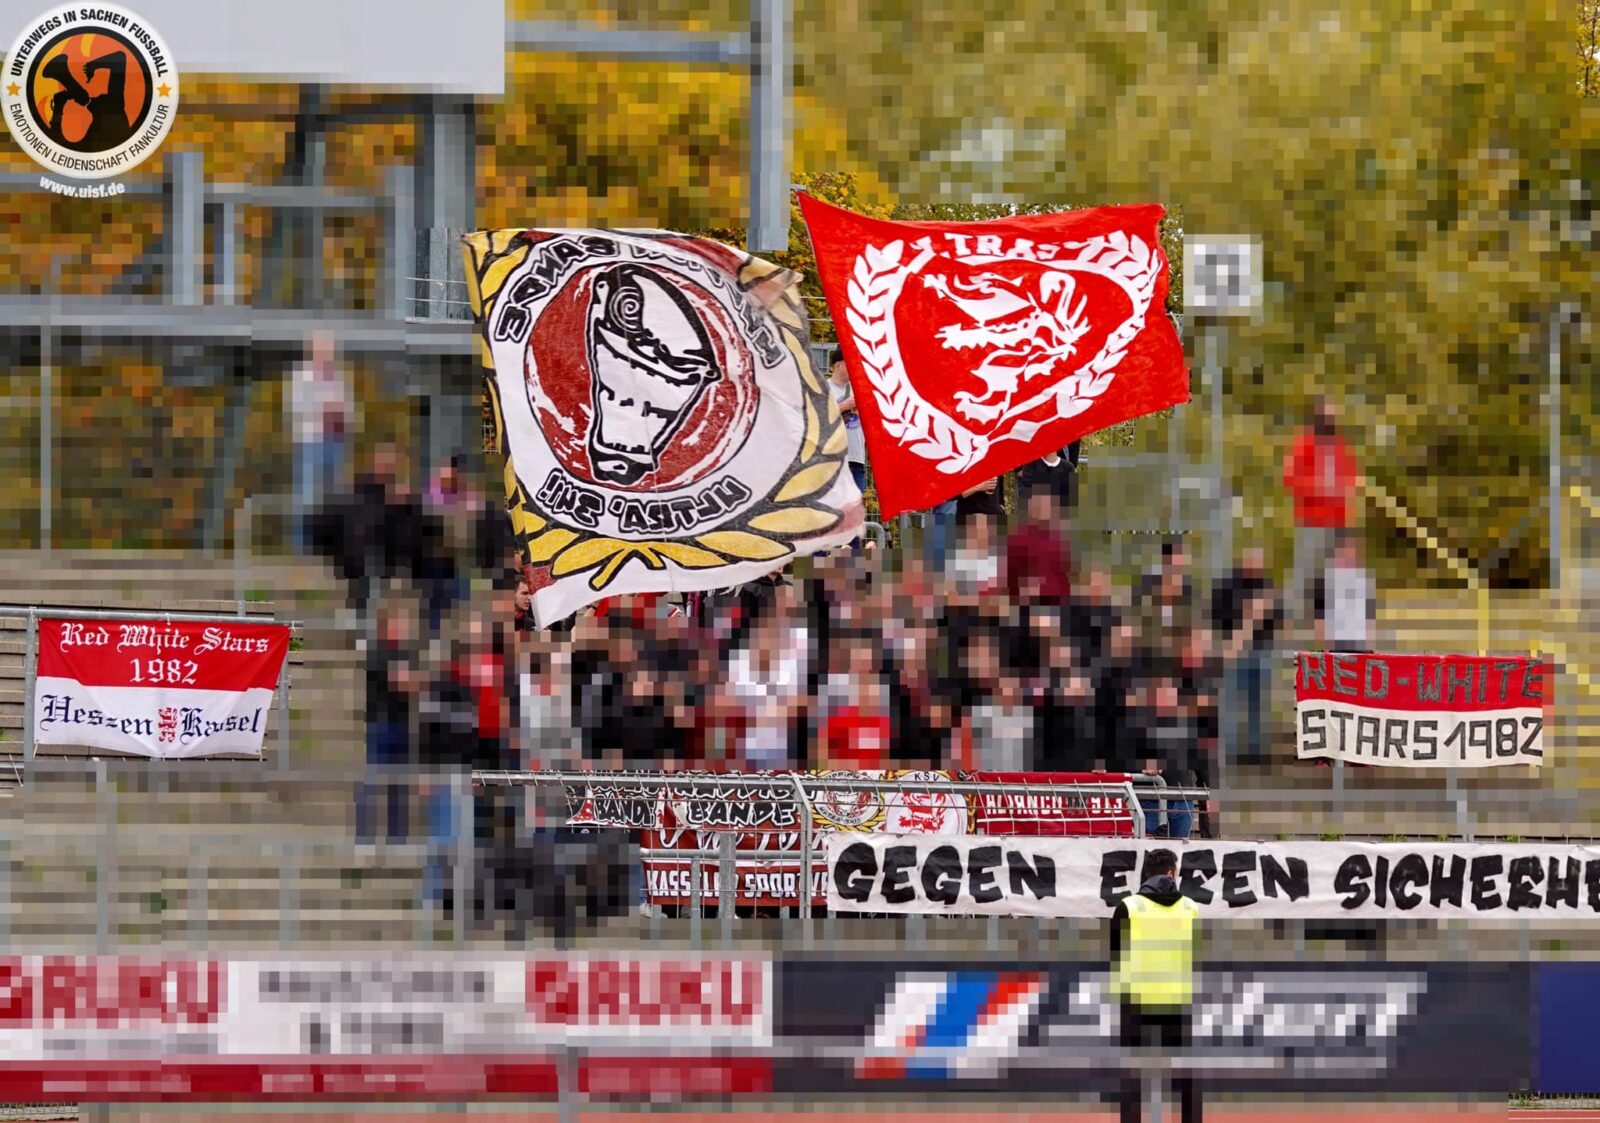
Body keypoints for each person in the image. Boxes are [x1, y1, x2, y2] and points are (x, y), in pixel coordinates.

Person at [1111, 848, 1202, 1123]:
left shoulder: (1128, 906)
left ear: (1145, 874)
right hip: (1179, 998)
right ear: (1171, 873)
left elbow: (1116, 957)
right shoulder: (1190, 907)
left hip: (1136, 1000)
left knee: (1133, 1075)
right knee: (1185, 1076)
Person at [1283, 396, 1358, 627]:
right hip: (1311, 518)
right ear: (1317, 414)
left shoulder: (1339, 445)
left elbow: (1350, 475)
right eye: (1327, 412)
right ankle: (1293, 615)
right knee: (1305, 568)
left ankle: (1332, 615)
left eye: (1333, 412)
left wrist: (1348, 486)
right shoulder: (1304, 443)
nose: (1331, 417)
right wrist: (1319, 487)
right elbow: (1290, 478)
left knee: (1336, 571)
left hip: (1338, 518)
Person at [355, 597, 419, 847]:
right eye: (400, 622)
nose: (404, 626)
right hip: (381, 724)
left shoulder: (405, 651)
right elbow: (403, 684)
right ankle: (366, 836)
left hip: (401, 723)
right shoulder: (378, 650)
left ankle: (397, 836)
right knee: (374, 780)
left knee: (399, 784)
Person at [1211, 548, 1282, 767]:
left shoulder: (1266, 586)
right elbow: (1217, 617)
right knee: (1232, 701)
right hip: (1234, 650)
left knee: (1257, 703)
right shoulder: (1228, 586)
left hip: (1261, 652)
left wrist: (1268, 611)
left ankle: (1255, 751)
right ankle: (1231, 750)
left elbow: (1276, 620)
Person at [288, 333, 352, 554]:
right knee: (307, 494)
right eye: (323, 351)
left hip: (335, 440)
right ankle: (302, 546)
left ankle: (331, 544)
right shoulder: (302, 377)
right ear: (314, 352)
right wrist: (324, 410)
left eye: (329, 351)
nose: (327, 356)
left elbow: (348, 409)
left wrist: (339, 414)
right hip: (310, 440)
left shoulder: (337, 379)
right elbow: (298, 408)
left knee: (335, 495)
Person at [829, 360, 871, 541]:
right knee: (828, 513)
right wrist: (843, 406)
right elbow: (817, 418)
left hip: (856, 458)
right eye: (849, 364)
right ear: (838, 365)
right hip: (832, 460)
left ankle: (853, 562)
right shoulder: (824, 388)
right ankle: (819, 560)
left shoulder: (860, 388)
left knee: (855, 515)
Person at [1314, 529, 1375, 652]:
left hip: (1360, 647)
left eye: (1352, 549)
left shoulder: (1363, 581)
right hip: (1335, 648)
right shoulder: (1324, 581)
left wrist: (1369, 646)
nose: (1349, 553)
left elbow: (1369, 617)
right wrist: (1322, 648)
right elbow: (1319, 618)